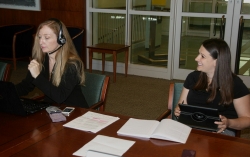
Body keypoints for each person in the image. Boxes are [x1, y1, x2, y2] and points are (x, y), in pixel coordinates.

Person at [174, 38, 250, 136]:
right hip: (191, 127)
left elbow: (247, 119)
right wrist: (179, 111)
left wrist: (228, 123)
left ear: (217, 62)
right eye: (199, 54)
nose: (196, 58)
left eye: (202, 56)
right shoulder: (193, 77)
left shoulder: (235, 84)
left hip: (220, 131)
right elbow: (181, 105)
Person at [15, 18, 88, 108]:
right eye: (39, 37)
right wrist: (5, 91)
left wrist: (38, 76)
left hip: (75, 112)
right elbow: (25, 87)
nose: (41, 41)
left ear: (61, 39)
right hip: (52, 109)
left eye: (47, 37)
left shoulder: (72, 64)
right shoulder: (41, 60)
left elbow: (60, 97)